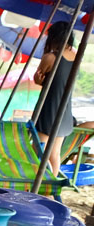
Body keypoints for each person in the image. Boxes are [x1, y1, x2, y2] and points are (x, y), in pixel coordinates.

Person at [33, 21, 76, 176]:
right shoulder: (77, 55)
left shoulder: (50, 57)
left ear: (53, 37)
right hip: (65, 111)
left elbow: (39, 79)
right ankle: (50, 188)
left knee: (38, 149)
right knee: (54, 153)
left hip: (49, 109)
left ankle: (42, 185)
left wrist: (39, 81)